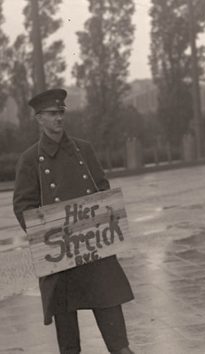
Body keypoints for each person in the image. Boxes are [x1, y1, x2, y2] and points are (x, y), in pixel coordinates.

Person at [13, 88, 135, 354]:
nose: (59, 118)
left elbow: (102, 188)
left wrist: (103, 217)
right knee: (69, 346)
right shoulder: (30, 160)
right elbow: (23, 205)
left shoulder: (84, 150)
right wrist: (45, 233)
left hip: (96, 254)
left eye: (61, 113)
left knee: (119, 342)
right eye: (52, 114)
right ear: (39, 119)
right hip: (61, 263)